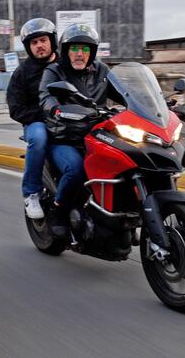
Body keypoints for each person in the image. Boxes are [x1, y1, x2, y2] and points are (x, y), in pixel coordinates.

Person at [38, 24, 110, 238]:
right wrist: (55, 108)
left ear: (92, 52)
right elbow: (45, 96)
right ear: (66, 50)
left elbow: (125, 92)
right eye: (75, 48)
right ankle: (58, 211)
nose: (80, 53)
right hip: (64, 136)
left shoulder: (103, 71)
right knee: (76, 169)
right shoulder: (54, 71)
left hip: (97, 134)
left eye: (86, 49)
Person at [7, 18, 58, 220]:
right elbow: (16, 109)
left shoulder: (66, 65)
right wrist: (44, 115)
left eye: (43, 40)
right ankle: (31, 193)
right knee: (38, 138)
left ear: (52, 41)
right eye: (33, 43)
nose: (39, 46)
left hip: (71, 122)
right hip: (37, 123)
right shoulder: (22, 73)